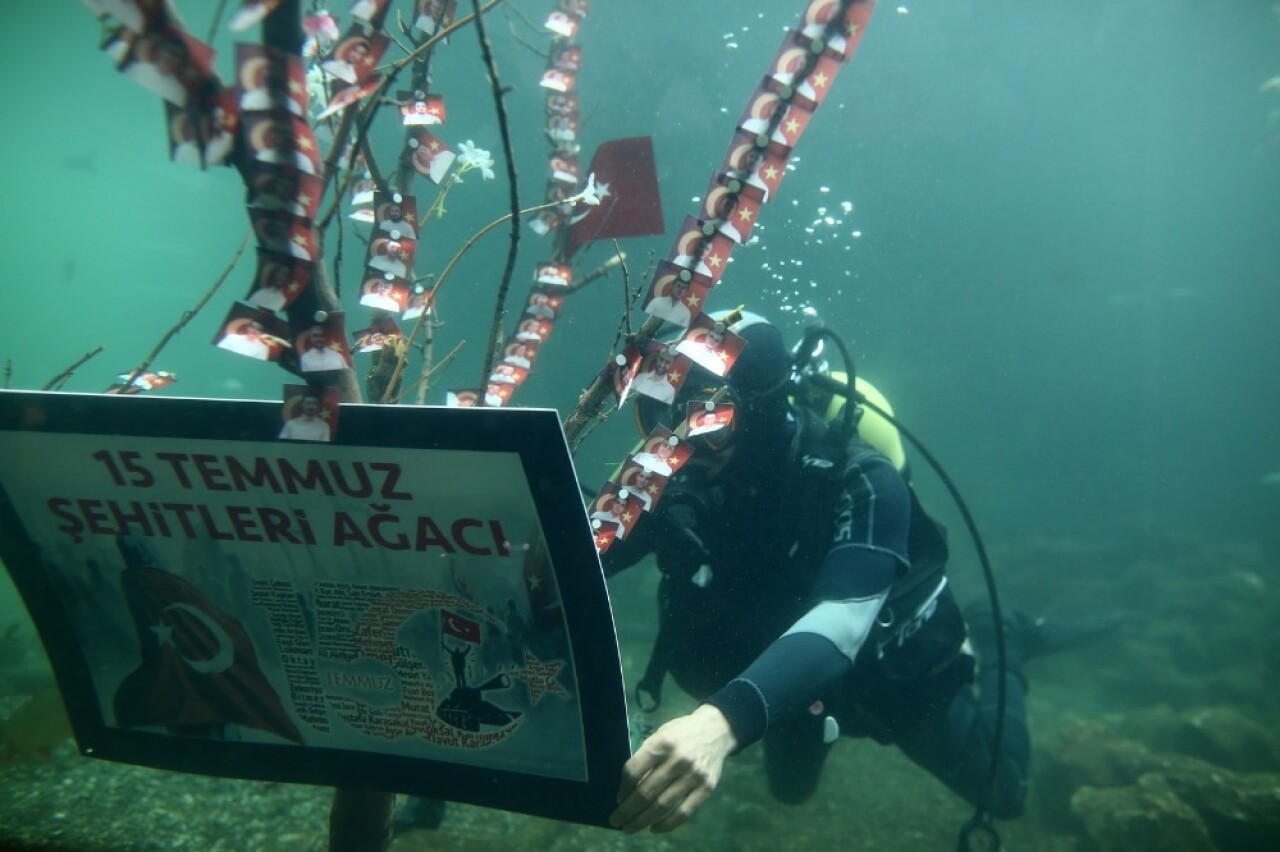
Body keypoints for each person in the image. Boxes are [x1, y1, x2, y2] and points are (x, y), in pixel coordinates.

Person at [603, 312, 1124, 836]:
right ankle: (805, 716)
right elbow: (577, 561)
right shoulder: (663, 477)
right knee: (791, 791)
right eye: (658, 417)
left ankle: (999, 634)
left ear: (759, 412)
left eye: (709, 422)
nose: (680, 448)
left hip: (887, 671)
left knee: (1004, 789)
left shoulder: (863, 479)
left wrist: (719, 724)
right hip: (787, 670)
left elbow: (845, 618)